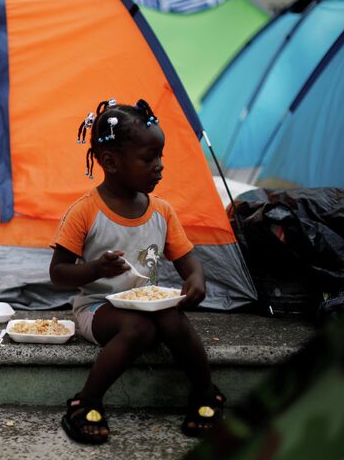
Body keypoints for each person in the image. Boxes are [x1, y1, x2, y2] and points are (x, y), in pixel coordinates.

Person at [49, 98, 225, 444]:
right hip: (98, 309)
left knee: (173, 319)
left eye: (161, 157)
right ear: (111, 162)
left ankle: (206, 392)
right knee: (137, 327)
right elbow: (58, 274)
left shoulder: (162, 210)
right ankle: (85, 401)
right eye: (149, 159)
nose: (160, 167)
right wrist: (95, 268)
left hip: (152, 309)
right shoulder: (85, 212)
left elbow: (188, 261)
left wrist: (196, 280)